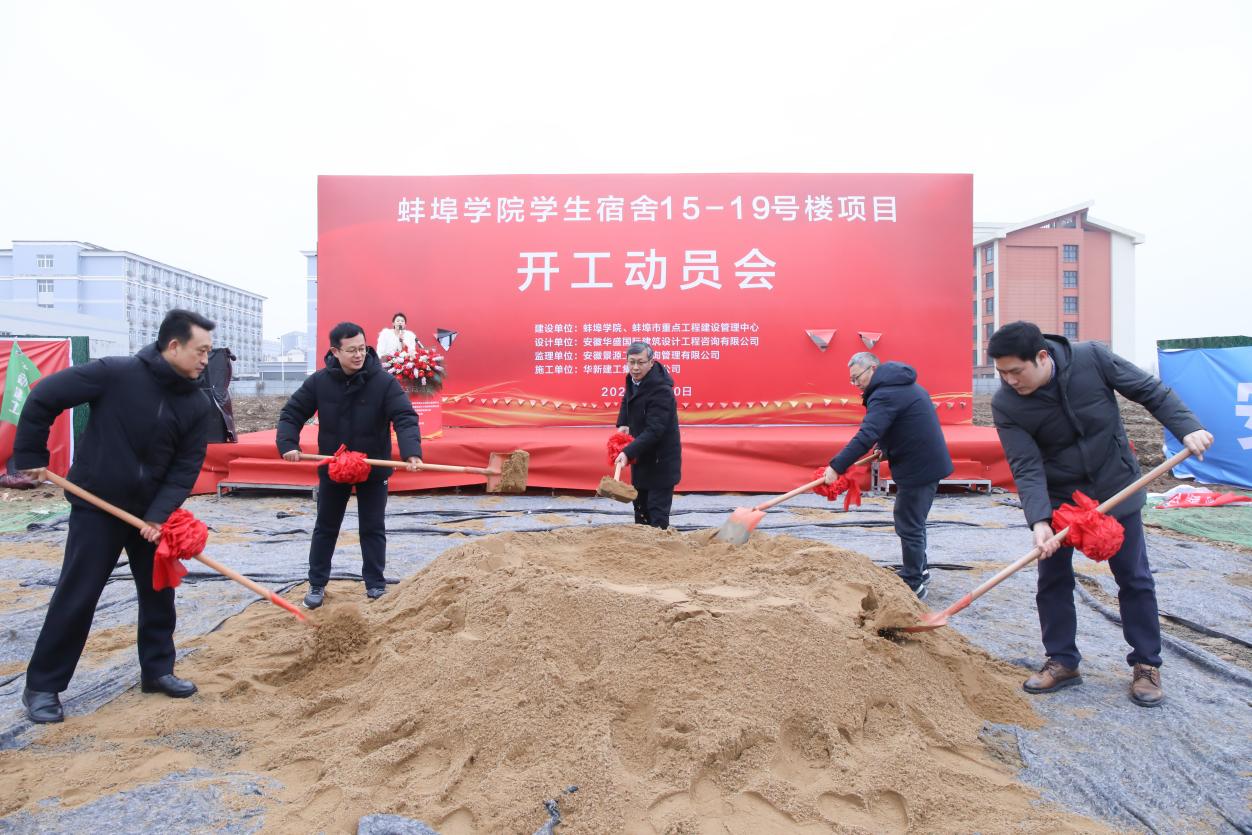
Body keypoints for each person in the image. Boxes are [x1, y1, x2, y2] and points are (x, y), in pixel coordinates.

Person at [988, 321, 1213, 707]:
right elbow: (1025, 464)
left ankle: (1146, 664)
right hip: (1061, 499)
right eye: (1002, 373)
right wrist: (1039, 520)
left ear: (1042, 357)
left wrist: (1187, 427)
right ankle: (1062, 661)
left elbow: (1150, 391)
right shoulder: (1006, 404)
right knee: (1052, 580)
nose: (1009, 381)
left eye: (1016, 371)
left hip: (1115, 485)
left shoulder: (1092, 359)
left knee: (1134, 578)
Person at [14, 309, 216, 723]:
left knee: (160, 593)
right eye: (200, 351)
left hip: (151, 514)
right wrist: (31, 454)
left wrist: (159, 516)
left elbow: (186, 467)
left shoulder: (196, 404)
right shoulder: (116, 374)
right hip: (97, 504)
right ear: (173, 345)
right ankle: (43, 686)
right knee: (78, 593)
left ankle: (157, 670)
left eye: (208, 352)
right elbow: (44, 396)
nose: (205, 360)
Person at [277, 322, 423, 608]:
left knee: (373, 526)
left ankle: (375, 584)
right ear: (335, 351)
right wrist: (288, 445)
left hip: (373, 466)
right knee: (326, 526)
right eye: (351, 350)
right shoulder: (319, 382)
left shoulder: (383, 382)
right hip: (334, 466)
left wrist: (411, 452)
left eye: (362, 348)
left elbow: (405, 417)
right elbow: (292, 413)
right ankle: (317, 584)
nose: (358, 355)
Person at [824, 352, 952, 600]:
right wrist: (884, 447)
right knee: (914, 520)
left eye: (857, 377)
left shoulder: (885, 393)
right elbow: (898, 423)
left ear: (872, 369)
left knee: (908, 522)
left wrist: (837, 466)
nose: (855, 384)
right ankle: (920, 569)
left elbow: (867, 433)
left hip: (919, 466)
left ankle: (913, 583)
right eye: (851, 380)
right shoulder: (899, 385)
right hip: (924, 461)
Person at [613, 341, 681, 529]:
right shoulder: (632, 380)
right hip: (642, 456)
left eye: (640, 362)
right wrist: (623, 423)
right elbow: (627, 399)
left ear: (651, 362)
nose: (635, 368)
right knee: (641, 511)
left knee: (656, 515)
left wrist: (627, 452)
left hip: (661, 461)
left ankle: (660, 545)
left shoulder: (661, 390)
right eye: (631, 362)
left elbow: (655, 430)